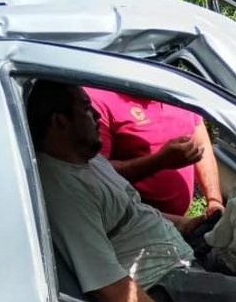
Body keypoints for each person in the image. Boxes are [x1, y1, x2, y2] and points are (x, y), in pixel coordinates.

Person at [27, 81, 236, 302]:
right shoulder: (64, 190)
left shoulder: (89, 162)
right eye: (85, 109)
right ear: (59, 122)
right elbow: (108, 286)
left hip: (174, 253)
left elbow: (129, 210)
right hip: (158, 283)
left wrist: (184, 224)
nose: (97, 116)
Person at [84, 88, 224, 216]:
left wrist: (214, 201)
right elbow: (95, 173)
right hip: (134, 225)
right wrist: (159, 162)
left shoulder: (177, 88)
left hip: (181, 223)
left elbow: (201, 145)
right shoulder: (98, 97)